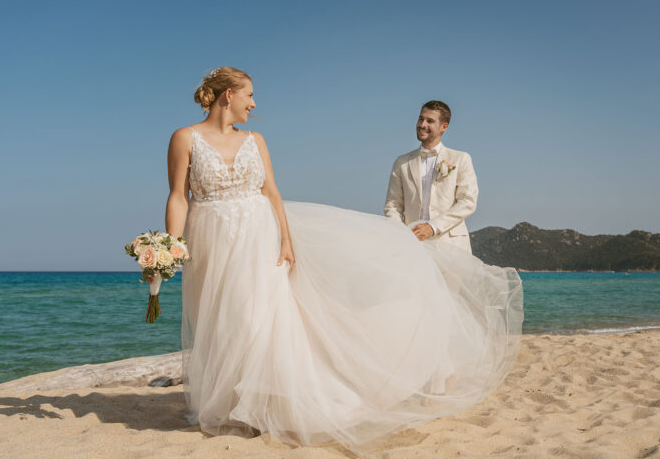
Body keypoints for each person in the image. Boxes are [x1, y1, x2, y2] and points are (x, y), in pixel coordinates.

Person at [163, 67, 523, 452]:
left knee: (261, 317)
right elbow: (179, 197)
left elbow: (272, 191)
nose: (254, 103)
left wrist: (286, 239)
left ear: (444, 126)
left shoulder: (256, 140)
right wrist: (170, 247)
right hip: (212, 241)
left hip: (265, 236)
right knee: (224, 319)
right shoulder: (185, 138)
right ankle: (234, 402)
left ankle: (267, 404)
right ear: (227, 96)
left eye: (429, 120)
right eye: (248, 95)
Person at [384, 100, 478, 253]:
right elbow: (393, 205)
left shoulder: (461, 159)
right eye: (421, 118)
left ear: (444, 127)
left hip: (452, 246)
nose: (422, 124)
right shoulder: (401, 162)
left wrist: (433, 227)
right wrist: (401, 233)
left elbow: (468, 201)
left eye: (430, 121)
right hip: (413, 245)